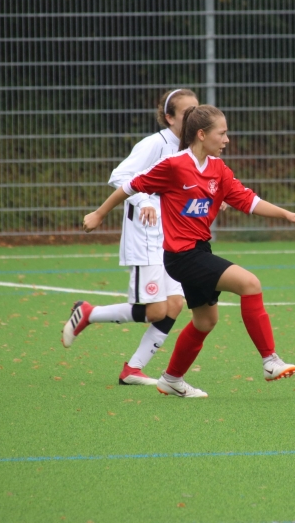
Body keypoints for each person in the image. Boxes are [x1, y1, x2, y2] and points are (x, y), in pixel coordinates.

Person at [83, 105, 295, 398]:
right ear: (202, 134)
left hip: (198, 250)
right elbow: (129, 186)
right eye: (222, 133)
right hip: (182, 256)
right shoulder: (173, 165)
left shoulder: (218, 169)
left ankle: (171, 379)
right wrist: (99, 213)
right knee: (250, 284)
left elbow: (248, 200)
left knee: (205, 321)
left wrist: (289, 215)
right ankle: (270, 360)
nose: (227, 139)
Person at [62, 89, 198, 386]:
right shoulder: (154, 144)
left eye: (196, 110)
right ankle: (88, 313)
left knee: (175, 304)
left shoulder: (192, 149)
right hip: (146, 235)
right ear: (169, 117)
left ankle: (133, 369)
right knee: (155, 310)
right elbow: (120, 176)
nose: (193, 117)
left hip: (173, 237)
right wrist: (144, 201)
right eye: (187, 112)